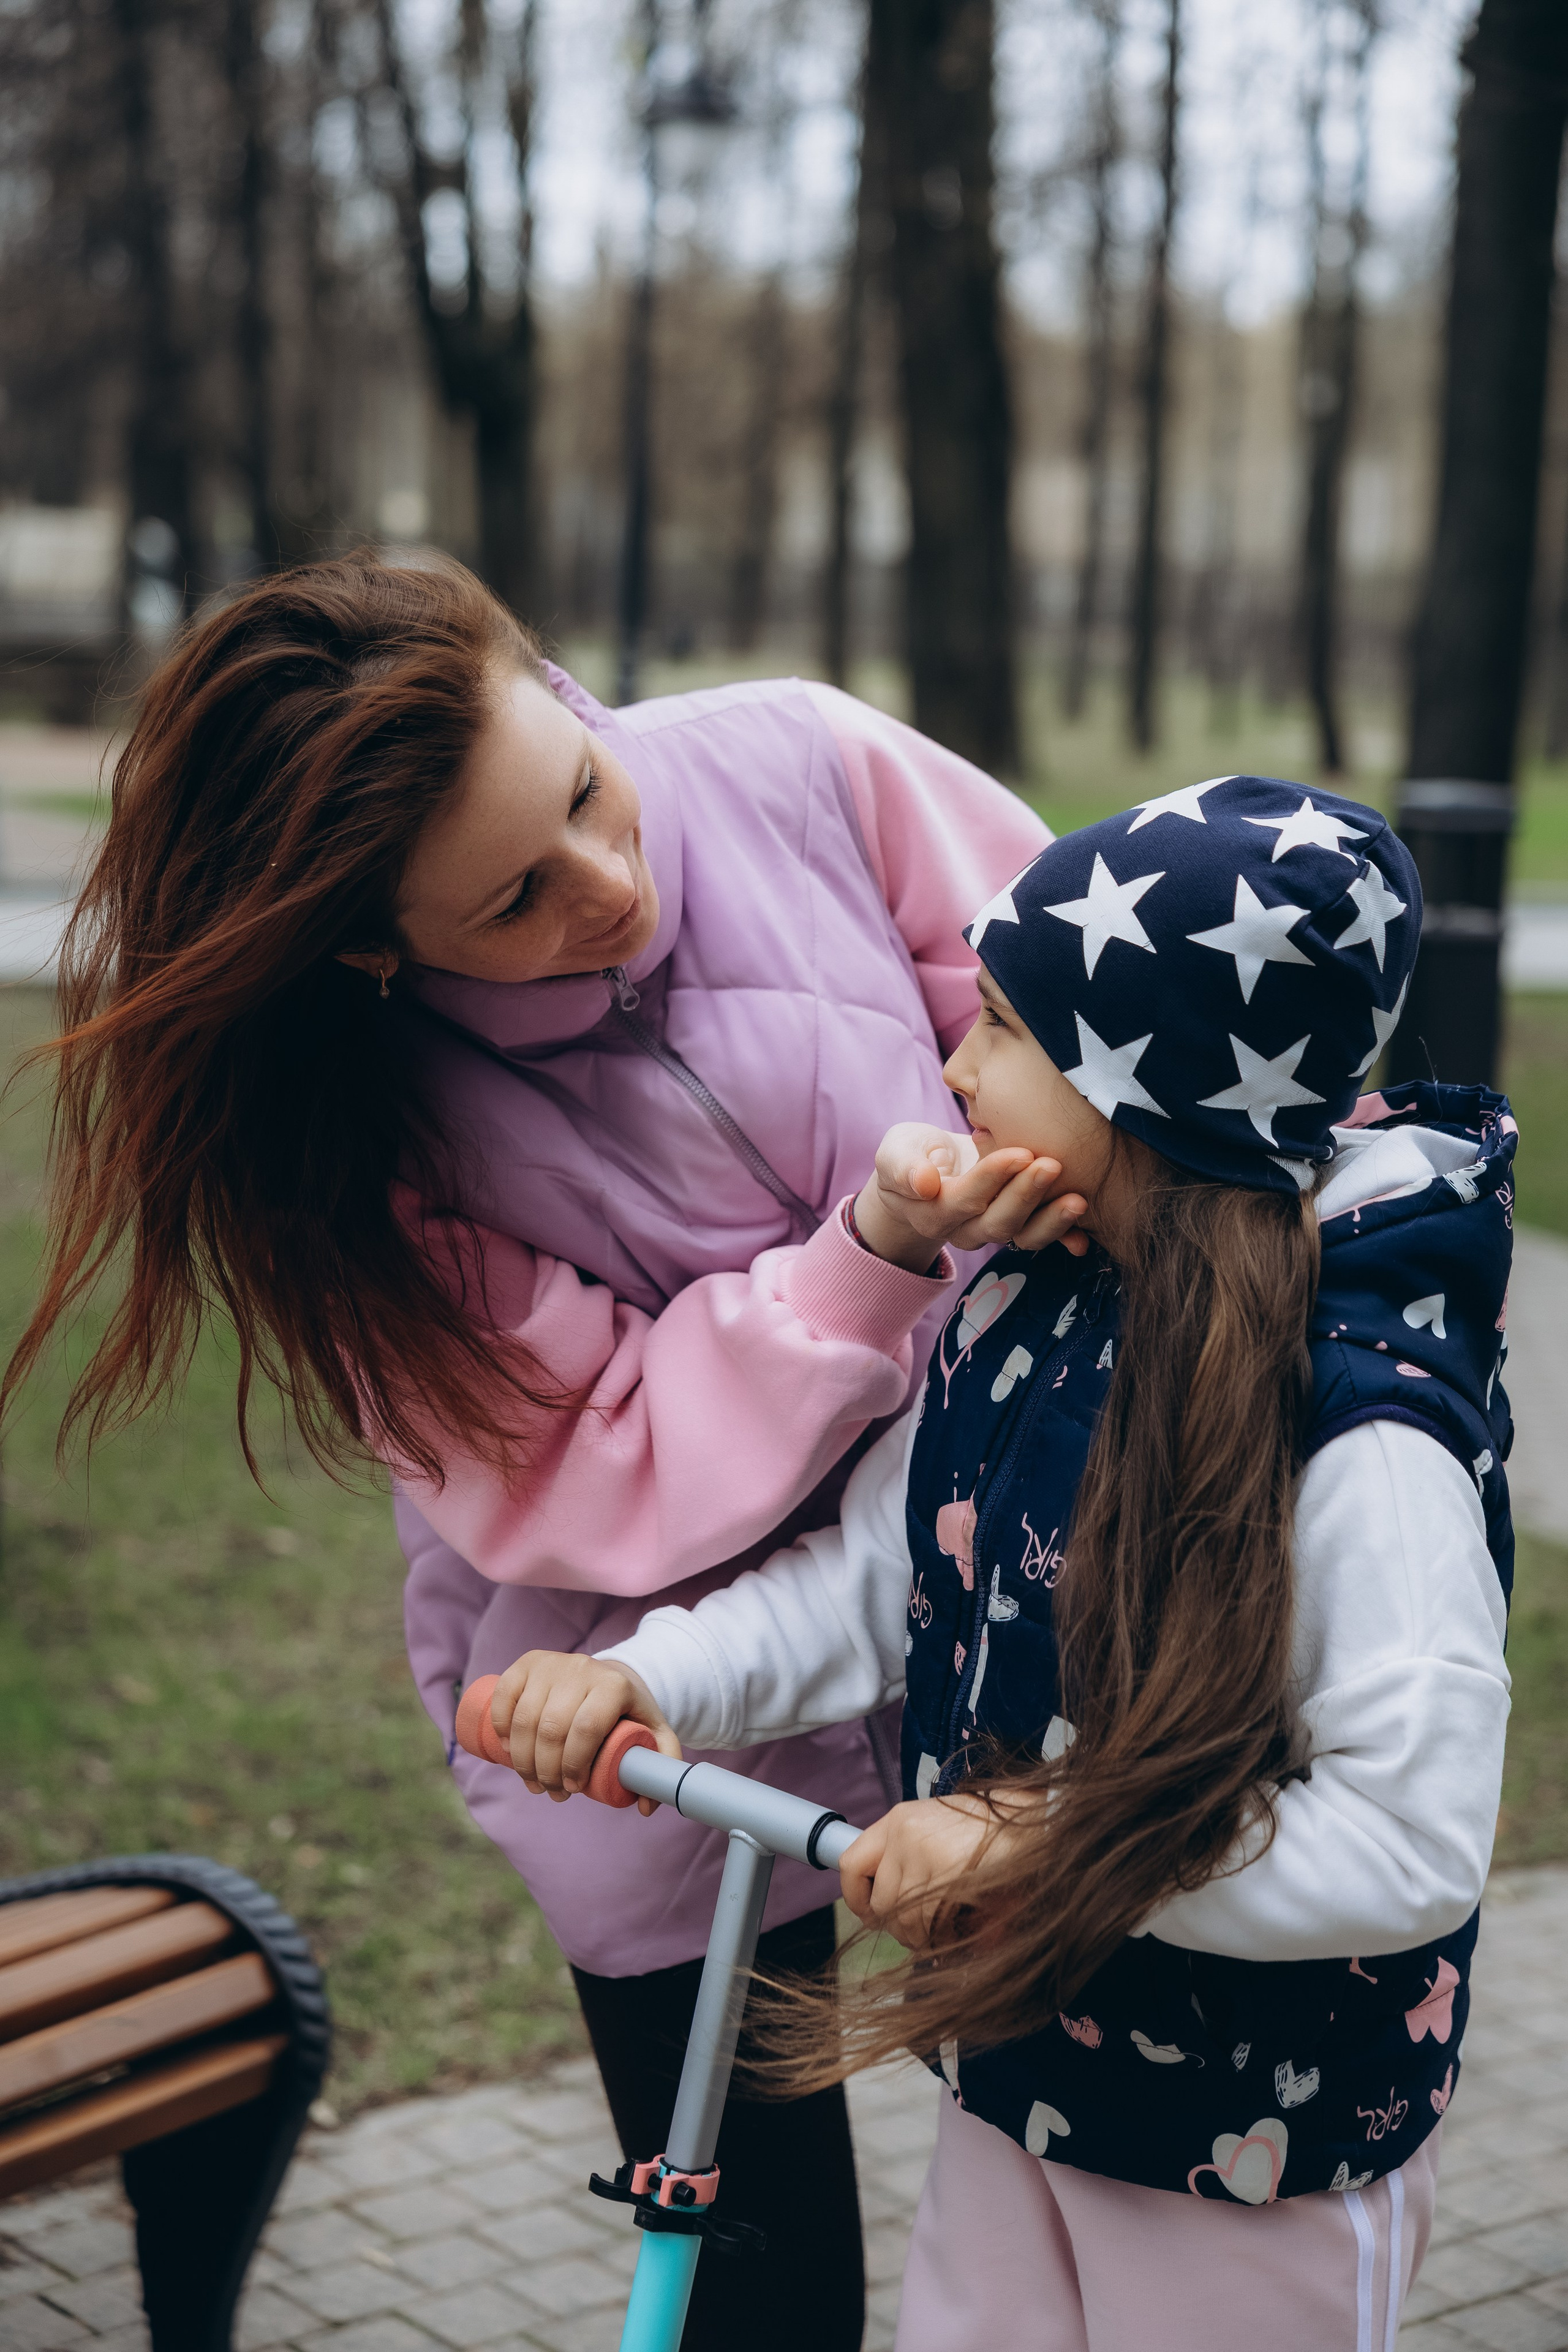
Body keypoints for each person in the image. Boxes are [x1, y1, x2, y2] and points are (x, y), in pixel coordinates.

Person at [4, 551, 1057, 2351]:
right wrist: (869, 1268)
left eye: (580, 788)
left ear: (557, 687)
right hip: (639, 1705)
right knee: (749, 2268)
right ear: (370, 945)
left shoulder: (804, 761)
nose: (612, 886)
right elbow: (590, 1460)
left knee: (1071, 2165)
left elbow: (1082, 1015)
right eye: (510, 900)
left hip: (1011, 1584)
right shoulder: (359, 1157)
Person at [489, 777, 1515, 2351]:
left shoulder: (1362, 1432)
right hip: (1024, 2077)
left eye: (1007, 1033)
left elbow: (1406, 1841)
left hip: (1257, 2142)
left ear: (1150, 1090)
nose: (953, 1064)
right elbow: (874, 1586)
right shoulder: (1023, 1303)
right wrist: (648, 1673)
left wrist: (1045, 1848)